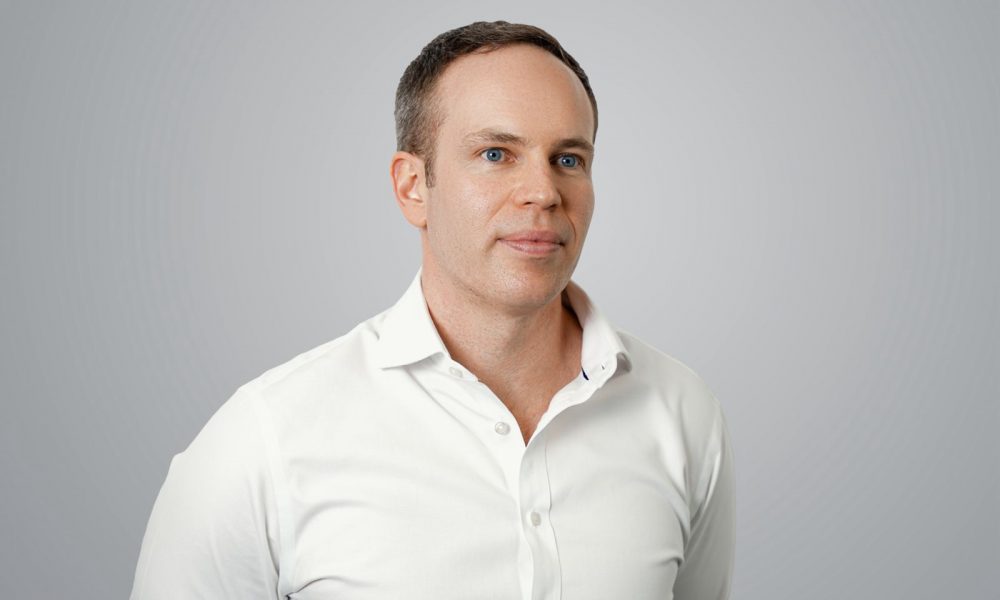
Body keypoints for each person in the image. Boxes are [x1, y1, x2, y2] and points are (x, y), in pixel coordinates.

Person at [130, 20, 735, 600]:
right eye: (496, 154)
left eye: (568, 159)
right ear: (412, 186)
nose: (543, 192)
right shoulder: (265, 440)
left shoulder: (681, 412)